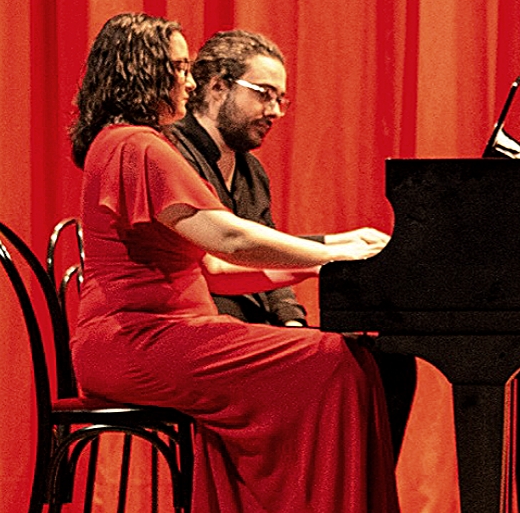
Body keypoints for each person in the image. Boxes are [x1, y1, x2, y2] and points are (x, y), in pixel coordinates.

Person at [67, 11, 407, 513]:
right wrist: (334, 253)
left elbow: (220, 271)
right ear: (142, 73)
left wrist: (337, 250)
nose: (189, 81)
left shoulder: (131, 144)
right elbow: (229, 239)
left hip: (165, 332)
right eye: (177, 68)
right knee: (335, 361)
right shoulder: (137, 146)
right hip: (137, 339)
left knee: (346, 356)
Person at [167, 29, 421, 459]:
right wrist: (334, 251)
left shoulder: (251, 171)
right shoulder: (173, 154)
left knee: (390, 363)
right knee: (353, 366)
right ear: (216, 86)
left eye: (280, 99)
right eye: (264, 94)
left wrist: (291, 322)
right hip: (203, 336)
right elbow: (225, 261)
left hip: (254, 331)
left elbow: (269, 252)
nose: (275, 111)